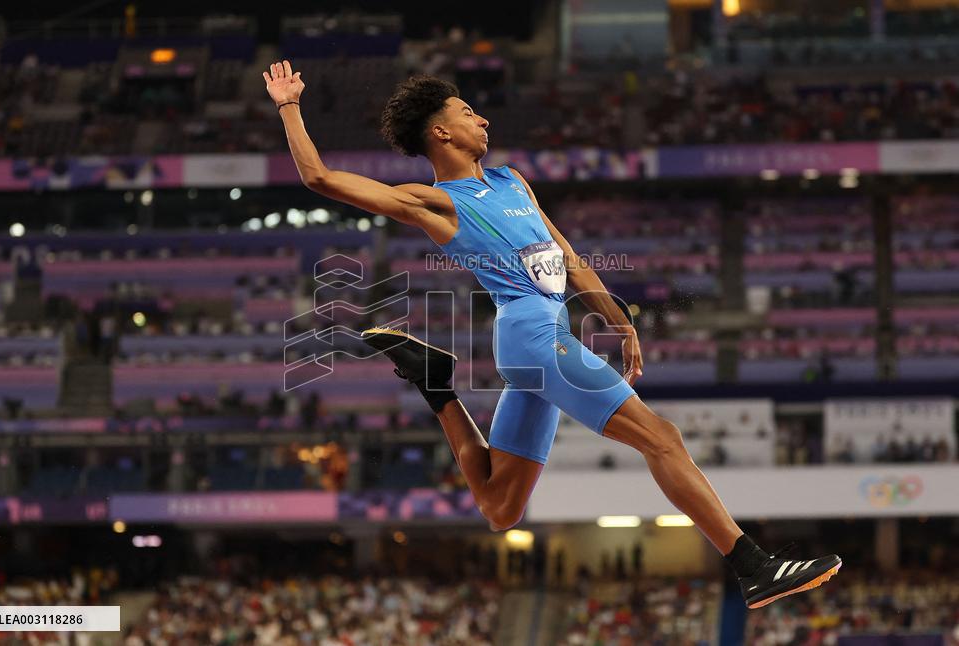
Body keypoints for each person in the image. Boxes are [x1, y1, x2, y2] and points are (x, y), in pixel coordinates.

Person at [263, 60, 841, 608]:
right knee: (661, 437)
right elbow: (320, 177)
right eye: (467, 112)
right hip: (530, 336)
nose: (482, 119)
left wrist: (619, 320)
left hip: (544, 336)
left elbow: (566, 257)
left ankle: (436, 385)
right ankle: (752, 566)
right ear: (441, 133)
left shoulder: (512, 181)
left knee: (500, 507)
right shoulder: (436, 203)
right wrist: (290, 107)